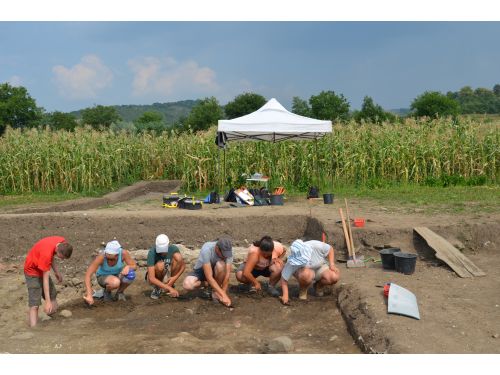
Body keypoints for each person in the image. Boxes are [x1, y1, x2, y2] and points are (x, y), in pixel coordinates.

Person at [23, 236, 73, 327]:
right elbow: (45, 279)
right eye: (62, 257)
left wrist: (57, 272)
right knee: (35, 303)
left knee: (52, 294)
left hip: (42, 263)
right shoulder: (46, 255)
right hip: (32, 271)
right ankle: (33, 328)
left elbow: (51, 255)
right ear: (58, 250)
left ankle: (54, 320)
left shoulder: (61, 241)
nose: (62, 260)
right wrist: (48, 302)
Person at [279, 239, 340, 305]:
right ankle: (303, 289)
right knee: (306, 274)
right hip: (305, 273)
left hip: (319, 267)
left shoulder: (316, 246)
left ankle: (318, 286)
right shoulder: (293, 258)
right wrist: (285, 295)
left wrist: (332, 264)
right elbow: (284, 278)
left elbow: (330, 249)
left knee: (334, 277)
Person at [83, 240, 137, 305]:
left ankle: (119, 292)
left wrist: (128, 267)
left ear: (117, 255)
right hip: (103, 277)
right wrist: (89, 294)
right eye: (107, 259)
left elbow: (134, 266)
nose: (109, 261)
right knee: (115, 282)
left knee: (131, 274)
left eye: (112, 259)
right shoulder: (101, 257)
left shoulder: (123, 253)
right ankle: (107, 291)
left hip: (117, 275)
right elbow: (88, 275)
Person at [182, 237, 233, 306]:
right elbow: (209, 277)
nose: (225, 257)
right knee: (187, 285)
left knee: (221, 265)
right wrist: (224, 295)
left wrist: (223, 293)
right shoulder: (207, 249)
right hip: (202, 270)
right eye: (223, 254)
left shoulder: (227, 250)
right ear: (217, 248)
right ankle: (207, 284)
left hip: (217, 271)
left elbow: (227, 275)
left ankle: (215, 291)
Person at [147, 234, 186, 299]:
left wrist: (174, 278)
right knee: (160, 265)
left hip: (168, 272)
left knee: (178, 258)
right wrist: (169, 288)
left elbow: (183, 266)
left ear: (168, 244)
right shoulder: (152, 252)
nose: (162, 252)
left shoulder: (173, 249)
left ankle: (170, 284)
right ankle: (158, 288)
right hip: (157, 276)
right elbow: (151, 278)